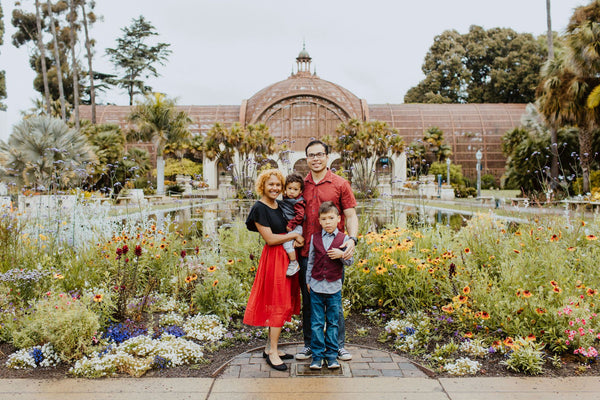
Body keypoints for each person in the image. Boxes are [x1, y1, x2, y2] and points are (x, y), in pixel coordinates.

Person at [294, 140, 359, 362]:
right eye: (311, 155)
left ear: (327, 156)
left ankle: (338, 346)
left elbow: (350, 215)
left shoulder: (340, 184)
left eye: (319, 154)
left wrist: (352, 240)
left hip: (334, 254)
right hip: (307, 254)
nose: (315, 158)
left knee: (334, 303)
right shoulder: (302, 185)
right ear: (306, 158)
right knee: (309, 301)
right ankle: (310, 345)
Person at [244, 169, 303, 371]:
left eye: (278, 185)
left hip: (284, 258)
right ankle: (274, 353)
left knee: (283, 301)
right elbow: (270, 239)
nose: (275, 188)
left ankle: (270, 347)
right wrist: (294, 236)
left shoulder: (278, 204)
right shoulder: (259, 208)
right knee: (278, 303)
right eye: (271, 184)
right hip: (274, 258)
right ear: (263, 185)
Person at [306, 201, 353, 369]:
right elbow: (311, 261)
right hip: (317, 287)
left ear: (338, 219)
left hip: (334, 288)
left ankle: (332, 355)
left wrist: (341, 254)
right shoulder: (315, 238)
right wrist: (308, 281)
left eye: (331, 218)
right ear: (319, 221)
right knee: (317, 322)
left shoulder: (344, 238)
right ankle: (317, 356)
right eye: (324, 219)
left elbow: (350, 262)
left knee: (333, 322)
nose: (328, 222)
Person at [278, 172, 306, 276]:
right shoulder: (287, 199)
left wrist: (291, 224)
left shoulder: (298, 202)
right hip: (294, 227)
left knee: (286, 243)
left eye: (295, 189)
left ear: (300, 191)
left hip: (297, 227)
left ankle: (294, 263)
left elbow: (300, 215)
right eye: (289, 188)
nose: (292, 192)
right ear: (285, 188)